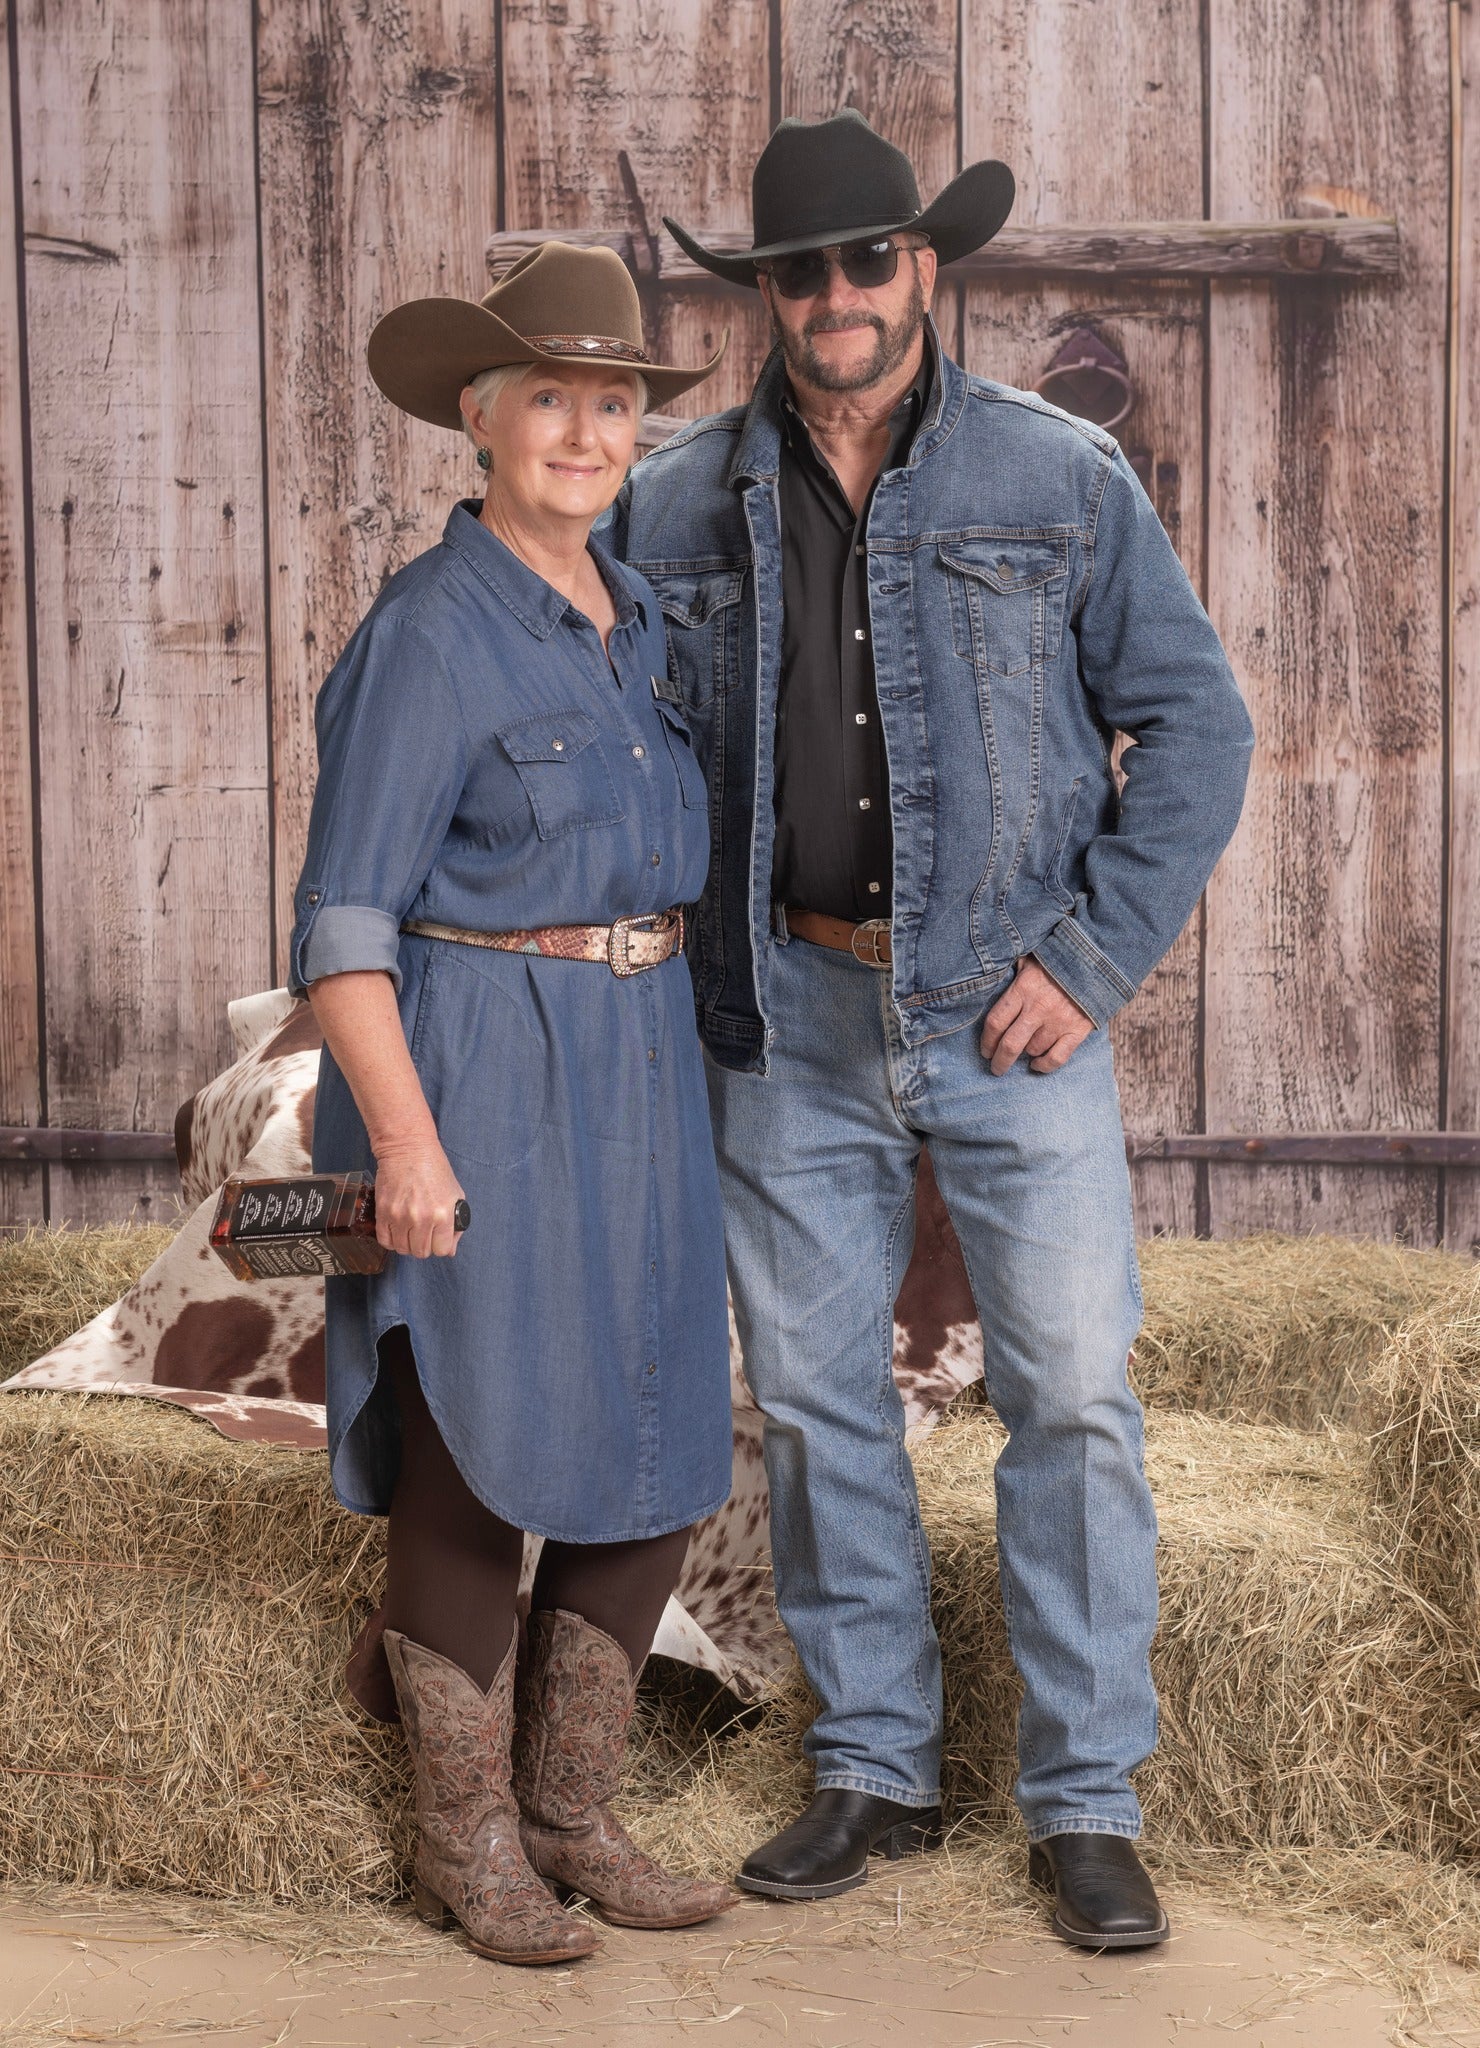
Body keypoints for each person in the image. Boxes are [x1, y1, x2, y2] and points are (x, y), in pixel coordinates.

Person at [611, 111, 1254, 1949]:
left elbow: (1195, 731)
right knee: (819, 1408)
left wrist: (1095, 955)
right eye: (798, 270)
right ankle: (876, 1767)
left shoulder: (1060, 480)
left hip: (1005, 1014)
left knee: (1072, 1397)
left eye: (866, 259)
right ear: (766, 296)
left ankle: (1083, 1802)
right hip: (782, 1013)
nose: (835, 296)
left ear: (927, 268)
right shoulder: (669, 504)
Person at [287, 241, 736, 1966]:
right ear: (478, 416)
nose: (582, 427)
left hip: (636, 1062)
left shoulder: (632, 629)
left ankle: (571, 1810)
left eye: (611, 400)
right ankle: (467, 1842)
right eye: (545, 394)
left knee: (658, 1434)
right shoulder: (428, 631)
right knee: (475, 1448)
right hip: (473, 1059)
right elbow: (344, 922)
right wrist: (403, 1138)